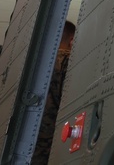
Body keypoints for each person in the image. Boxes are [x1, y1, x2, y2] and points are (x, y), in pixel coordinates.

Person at [34, 20, 75, 163]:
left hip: (27, 145)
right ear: (72, 40)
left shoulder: (32, 64)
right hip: (52, 148)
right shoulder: (69, 62)